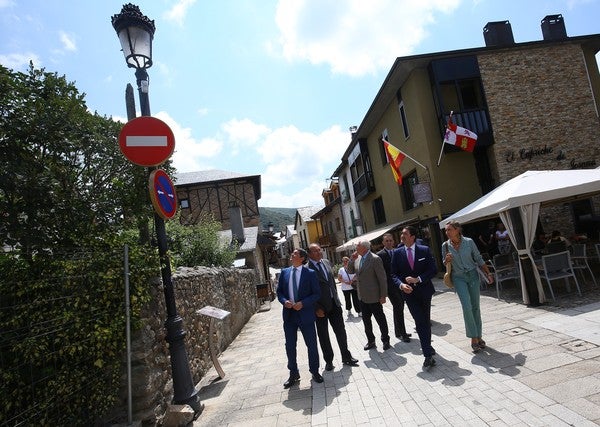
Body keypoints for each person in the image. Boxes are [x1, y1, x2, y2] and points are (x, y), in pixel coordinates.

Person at [442, 220, 494, 354]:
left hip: (472, 276)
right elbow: (445, 263)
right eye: (446, 230)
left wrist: (488, 273)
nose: (447, 232)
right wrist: (446, 260)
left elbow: (478, 258)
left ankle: (479, 336)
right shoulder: (445, 246)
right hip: (458, 278)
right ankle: (473, 338)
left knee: (475, 306)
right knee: (467, 307)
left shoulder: (469, 242)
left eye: (449, 229)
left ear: (457, 230)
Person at [391, 226, 438, 370]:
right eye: (402, 234)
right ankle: (427, 355)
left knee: (425, 321)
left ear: (412, 237)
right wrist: (401, 285)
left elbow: (433, 270)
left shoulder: (424, 250)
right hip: (409, 294)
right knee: (419, 321)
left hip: (425, 291)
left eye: (405, 234)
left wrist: (418, 279)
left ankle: (427, 347)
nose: (402, 236)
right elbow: (394, 274)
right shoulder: (397, 253)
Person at [307, 244, 359, 371]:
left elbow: (331, 283)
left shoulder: (326, 262)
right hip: (320, 308)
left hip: (334, 304)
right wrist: (316, 308)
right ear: (309, 254)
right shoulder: (307, 269)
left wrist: (337, 300)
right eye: (315, 251)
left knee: (341, 332)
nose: (319, 252)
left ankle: (346, 356)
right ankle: (328, 360)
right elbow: (307, 291)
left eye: (319, 250)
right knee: (324, 335)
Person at [276, 248, 323, 388]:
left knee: (312, 345)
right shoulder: (284, 272)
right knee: (290, 346)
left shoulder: (310, 274)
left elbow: (316, 294)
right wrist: (285, 301)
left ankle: (314, 371)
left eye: (295, 253)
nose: (292, 254)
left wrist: (303, 303)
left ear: (302, 258)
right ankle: (293, 373)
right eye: (293, 253)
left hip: (306, 314)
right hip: (289, 315)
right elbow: (279, 293)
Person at [347, 240, 390, 351]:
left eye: (358, 245)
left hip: (374, 296)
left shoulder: (375, 259)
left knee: (380, 319)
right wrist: (351, 259)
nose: (356, 247)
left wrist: (383, 295)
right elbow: (350, 271)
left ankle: (385, 340)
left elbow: (382, 278)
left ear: (365, 247)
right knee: (366, 321)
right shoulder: (358, 259)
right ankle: (371, 341)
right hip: (362, 296)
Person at [377, 233, 411, 343]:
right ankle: (403, 333)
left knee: (400, 307)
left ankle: (398, 331)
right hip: (389, 286)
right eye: (386, 241)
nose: (389, 242)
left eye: (390, 240)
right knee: (398, 306)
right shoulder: (380, 255)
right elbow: (380, 273)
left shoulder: (398, 252)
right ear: (383, 243)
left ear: (393, 241)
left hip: (400, 284)